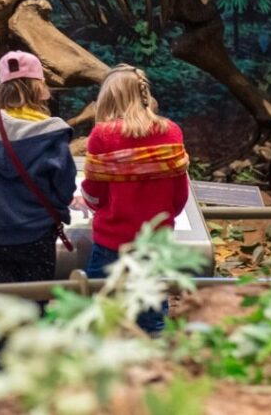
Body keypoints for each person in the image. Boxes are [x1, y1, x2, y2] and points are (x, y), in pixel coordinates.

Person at [80, 64, 190, 334]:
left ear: (110, 96)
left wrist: (89, 202)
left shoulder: (103, 135)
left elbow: (94, 193)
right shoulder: (171, 131)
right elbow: (179, 197)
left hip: (111, 242)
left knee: (99, 316)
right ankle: (155, 373)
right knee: (152, 319)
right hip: (154, 244)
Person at [0, 51, 77, 283]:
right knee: (37, 304)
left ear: (0, 87)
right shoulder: (53, 132)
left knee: (11, 305)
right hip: (39, 233)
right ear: (39, 86)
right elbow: (64, 190)